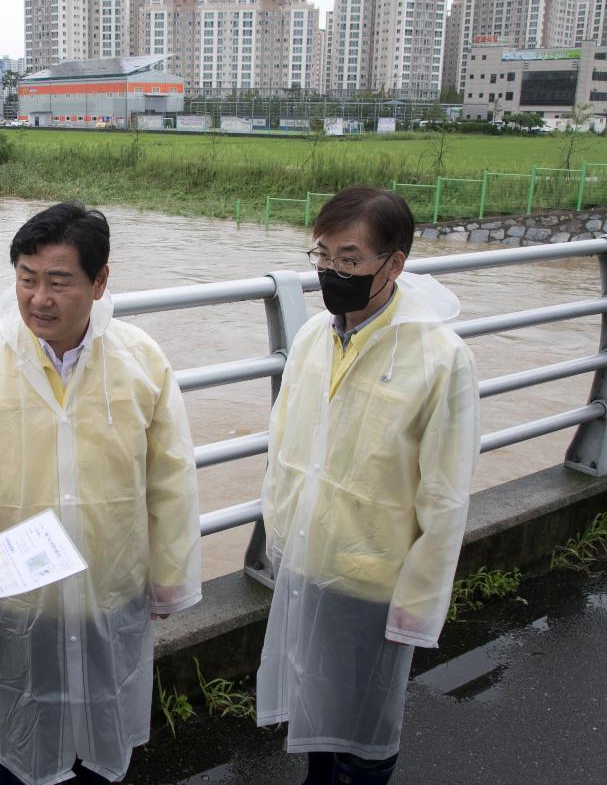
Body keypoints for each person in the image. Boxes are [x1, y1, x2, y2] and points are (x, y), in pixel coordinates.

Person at [0, 202, 202, 785]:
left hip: (111, 591)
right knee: (28, 741)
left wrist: (171, 575)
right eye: (27, 279)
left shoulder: (139, 361)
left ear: (100, 281)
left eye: (59, 282)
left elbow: (171, 477)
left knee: (104, 747)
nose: (38, 299)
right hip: (23, 601)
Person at [254, 187, 480, 785]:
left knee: (367, 730)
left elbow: (445, 494)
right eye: (323, 255)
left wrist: (418, 606)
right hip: (307, 562)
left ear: (394, 264)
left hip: (375, 580)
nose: (332, 272)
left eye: (350, 260)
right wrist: (280, 540)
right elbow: (285, 449)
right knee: (315, 709)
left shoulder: (437, 357)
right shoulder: (311, 340)